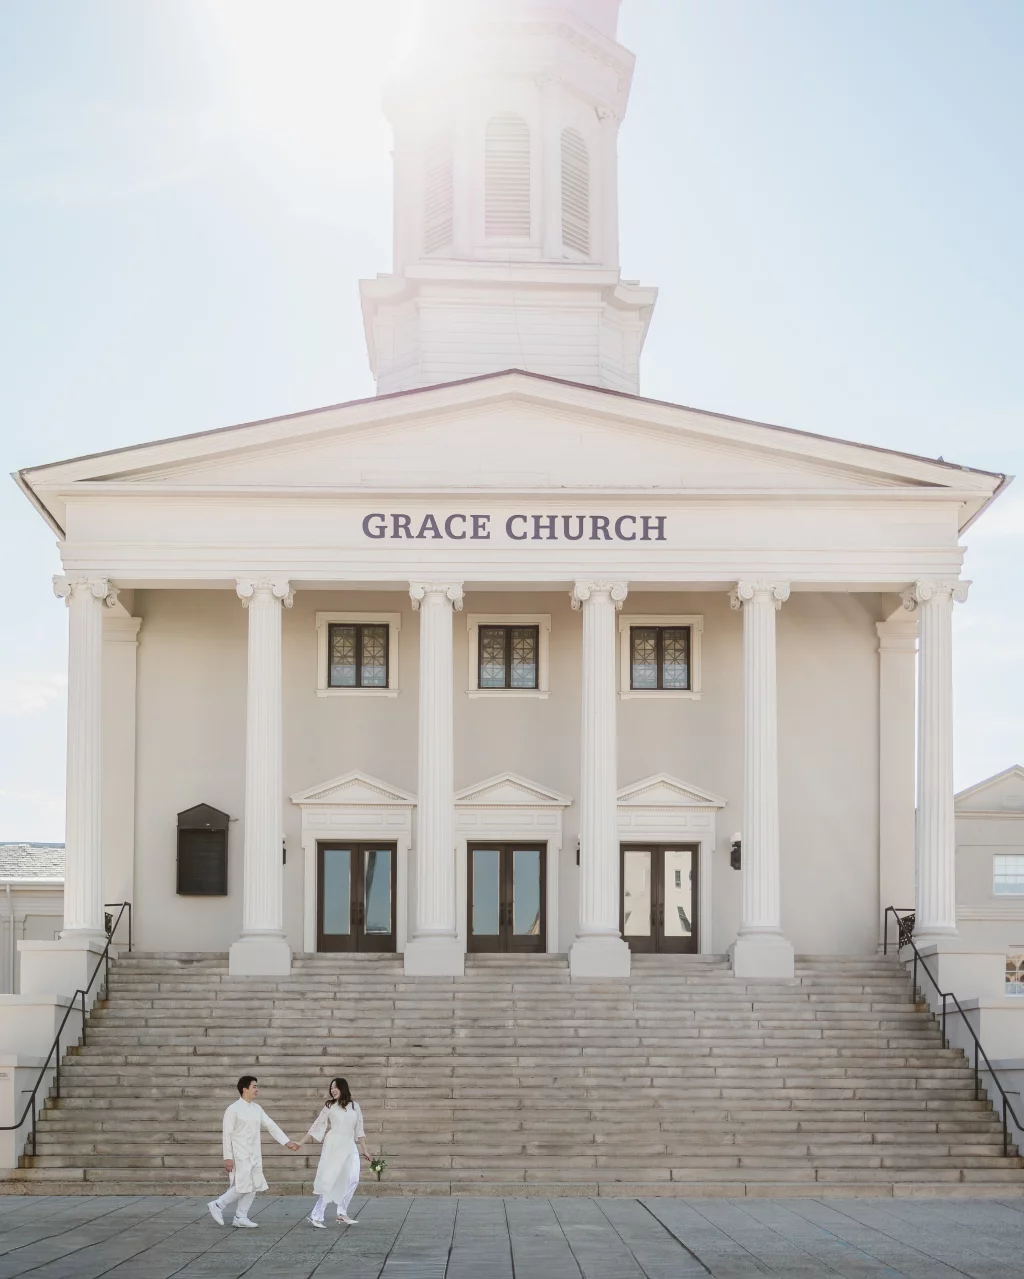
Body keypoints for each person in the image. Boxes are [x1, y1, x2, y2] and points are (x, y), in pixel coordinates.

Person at [207, 1075, 300, 1228]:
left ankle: (240, 1217)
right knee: (243, 1185)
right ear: (245, 1089)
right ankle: (217, 1205)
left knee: (255, 1184)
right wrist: (228, 1157)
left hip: (255, 1153)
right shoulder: (233, 1109)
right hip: (240, 1154)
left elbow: (271, 1125)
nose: (257, 1089)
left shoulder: (257, 1109)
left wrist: (287, 1142)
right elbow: (227, 1135)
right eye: (254, 1086)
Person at [296, 1077, 369, 1227]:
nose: (333, 1090)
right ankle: (316, 1215)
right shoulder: (330, 1106)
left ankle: (342, 1213)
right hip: (334, 1145)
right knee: (331, 1179)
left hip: (350, 1145)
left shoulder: (355, 1106)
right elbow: (317, 1125)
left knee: (353, 1179)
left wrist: (365, 1150)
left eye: (335, 1087)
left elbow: (360, 1130)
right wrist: (301, 1142)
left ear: (343, 1088)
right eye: (331, 1088)